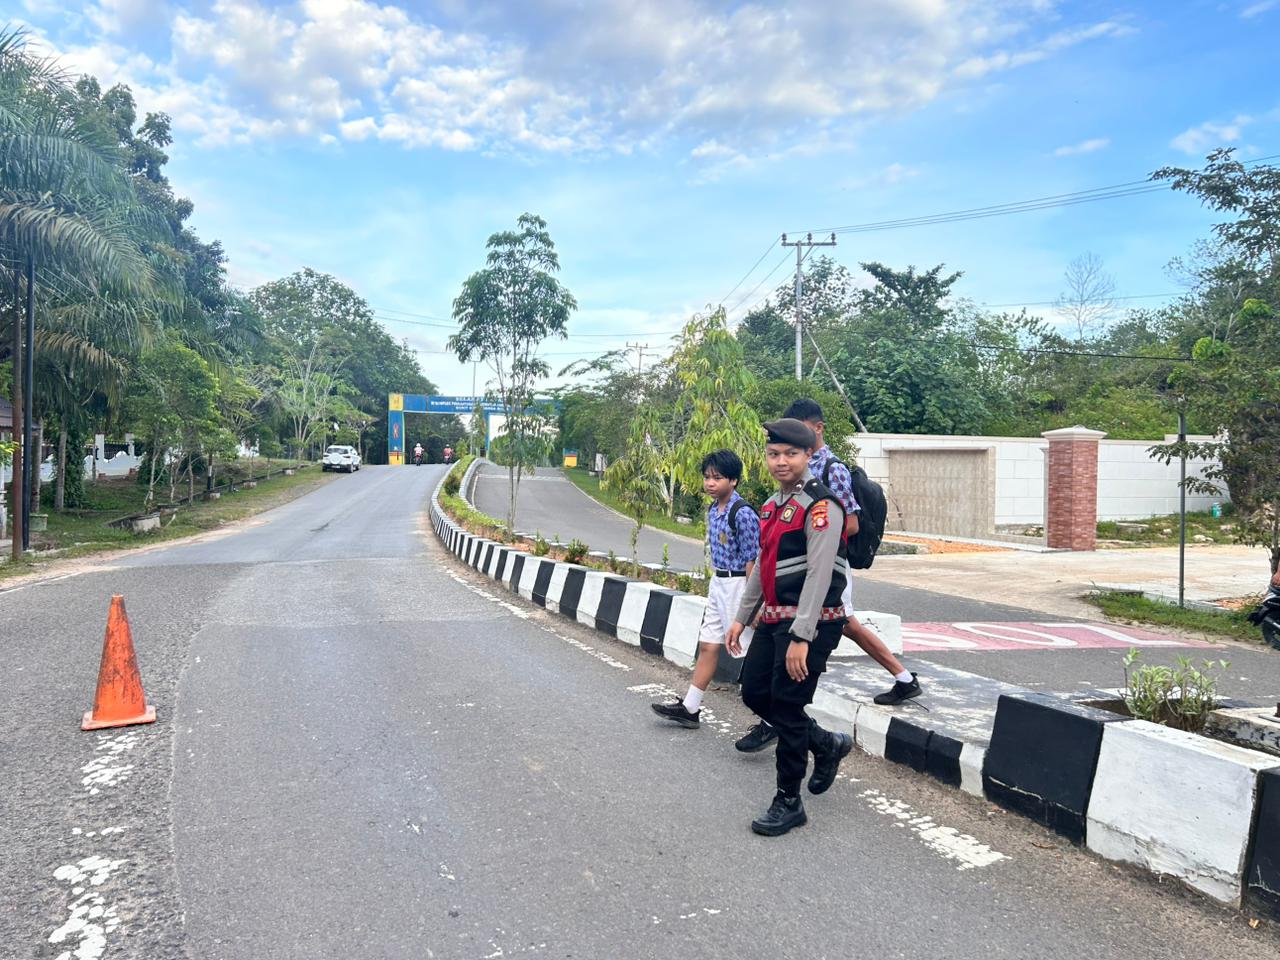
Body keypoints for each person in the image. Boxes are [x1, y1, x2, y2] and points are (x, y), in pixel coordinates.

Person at [726, 418, 854, 836]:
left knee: (786, 704)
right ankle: (824, 743)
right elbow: (764, 568)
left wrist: (803, 635)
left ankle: (788, 800)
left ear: (808, 456)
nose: (781, 462)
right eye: (773, 454)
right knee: (755, 694)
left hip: (813, 622)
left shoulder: (821, 507)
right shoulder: (771, 506)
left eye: (790, 454)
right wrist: (742, 616)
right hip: (774, 618)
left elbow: (818, 575)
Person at [651, 450, 759, 728]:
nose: (710, 483)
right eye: (707, 477)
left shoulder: (743, 513)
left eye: (718, 478)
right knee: (709, 644)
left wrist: (754, 603)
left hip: (740, 585)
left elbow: (753, 561)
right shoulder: (714, 510)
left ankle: (771, 720)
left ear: (733, 480)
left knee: (750, 651)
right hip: (718, 583)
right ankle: (690, 707)